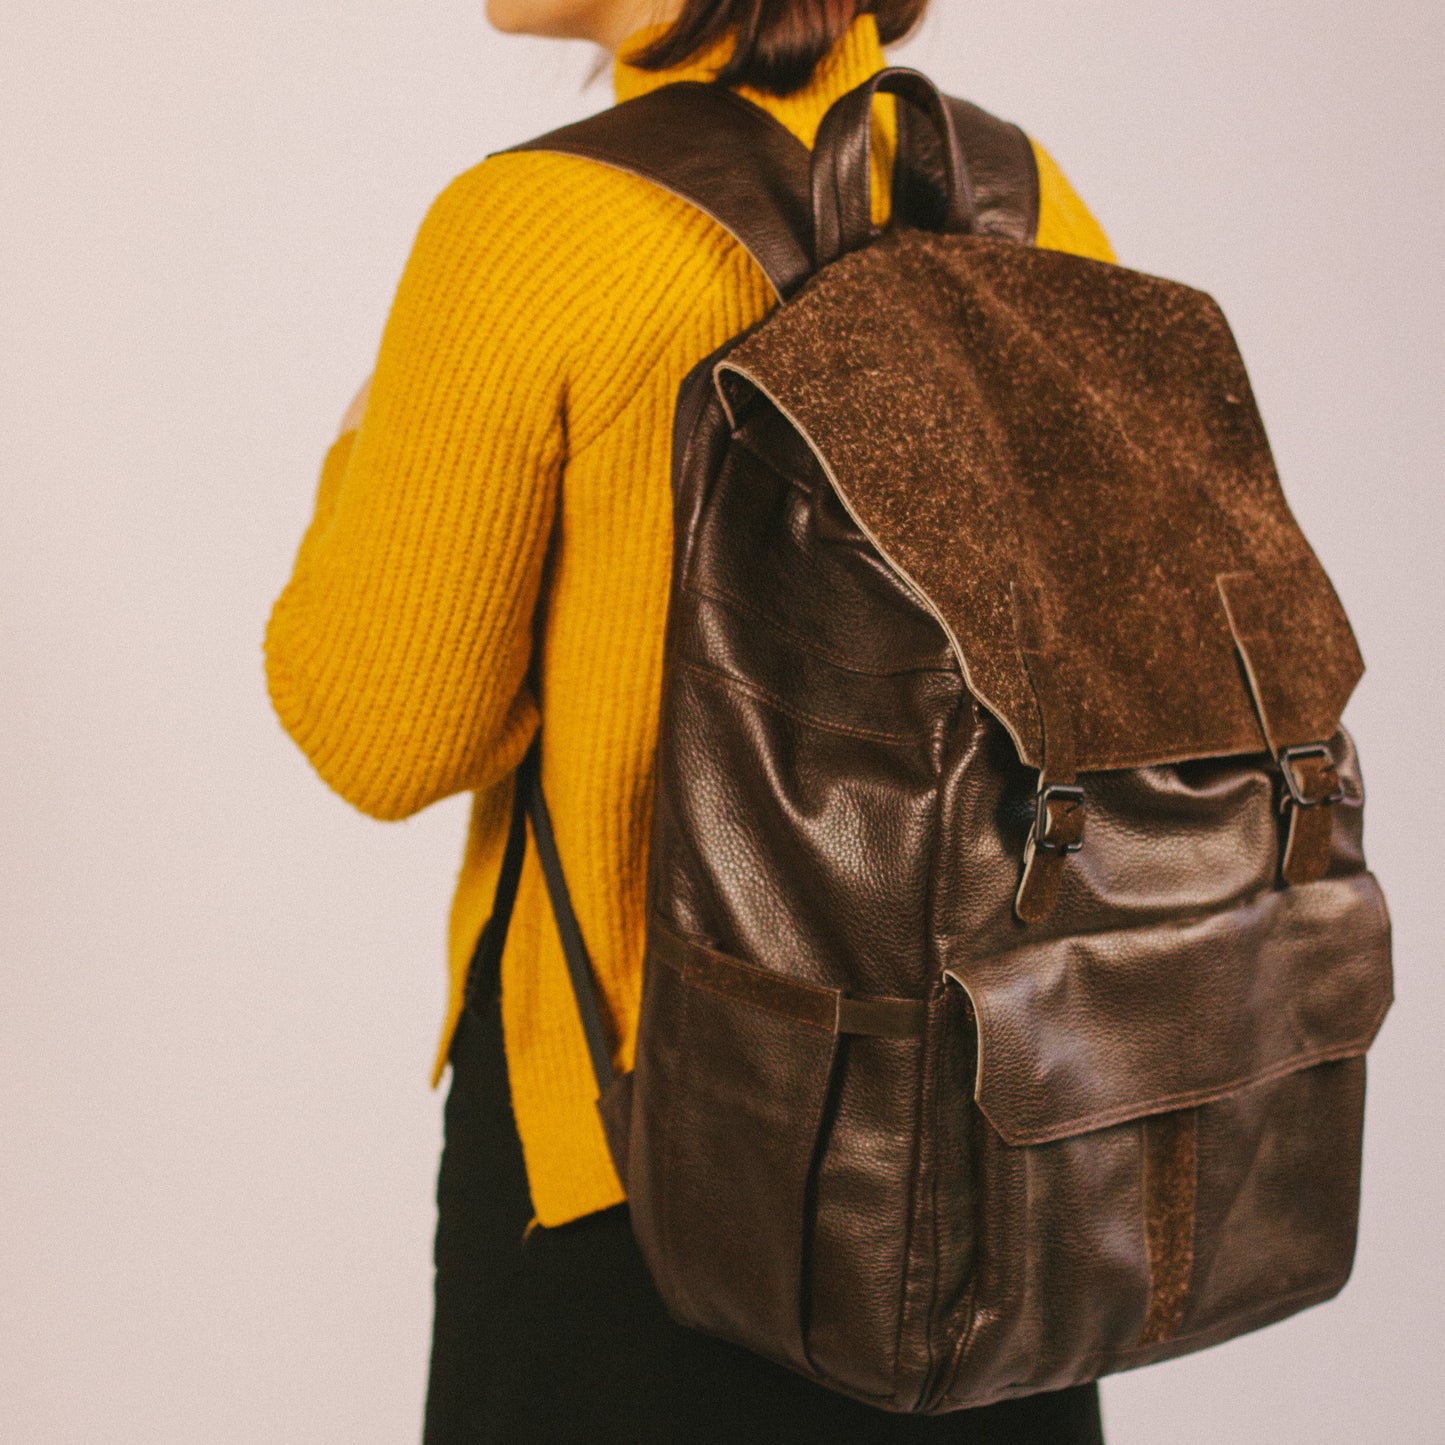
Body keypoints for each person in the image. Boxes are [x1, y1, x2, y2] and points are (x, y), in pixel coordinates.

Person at [266, 1, 1117, 1439]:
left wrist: (363, 446)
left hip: (645, 1166)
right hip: (990, 1145)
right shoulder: (1027, 202)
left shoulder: (529, 228)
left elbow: (383, 730)